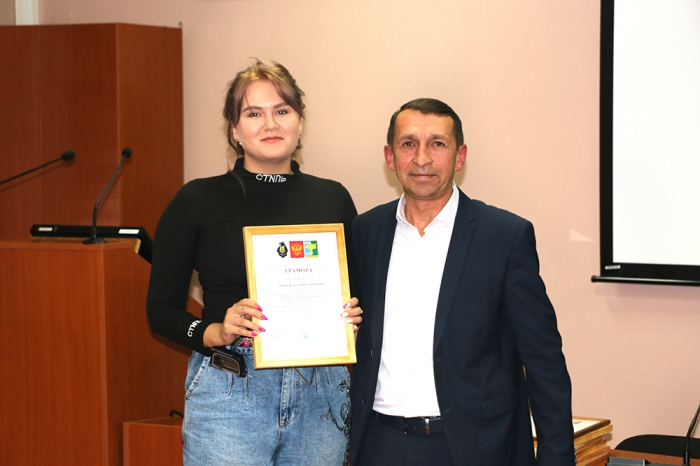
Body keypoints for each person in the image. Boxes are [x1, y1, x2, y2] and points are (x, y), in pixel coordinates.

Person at [147, 60, 362, 466]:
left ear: (300, 122)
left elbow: (359, 296)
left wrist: (351, 315)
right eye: (253, 114)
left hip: (321, 392)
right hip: (230, 387)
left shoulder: (333, 198)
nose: (270, 124)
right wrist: (214, 331)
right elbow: (160, 310)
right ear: (234, 130)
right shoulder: (196, 200)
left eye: (282, 110)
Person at [348, 98, 575, 465]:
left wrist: (556, 458)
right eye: (408, 144)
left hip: (474, 447)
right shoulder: (366, 231)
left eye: (437, 143)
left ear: (460, 156)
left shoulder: (504, 236)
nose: (422, 158)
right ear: (390, 157)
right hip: (379, 443)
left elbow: (543, 360)